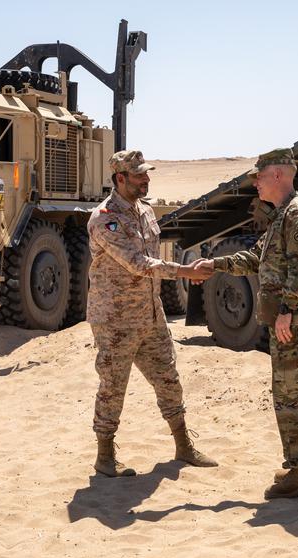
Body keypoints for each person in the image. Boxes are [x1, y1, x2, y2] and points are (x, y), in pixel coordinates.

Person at [194, 148, 298, 499]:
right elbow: (256, 258)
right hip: (291, 319)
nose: (255, 182)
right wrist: (216, 265)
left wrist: (286, 309)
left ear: (279, 175)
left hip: (294, 322)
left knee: (292, 394)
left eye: (259, 175)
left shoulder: (297, 214)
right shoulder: (282, 215)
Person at [86, 149, 218, 478]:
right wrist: (185, 272)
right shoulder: (105, 218)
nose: (146, 179)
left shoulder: (145, 211)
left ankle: (184, 445)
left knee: (169, 380)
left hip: (151, 315)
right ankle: (105, 455)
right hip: (116, 319)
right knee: (113, 386)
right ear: (120, 179)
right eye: (140, 175)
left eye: (147, 173)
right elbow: (138, 264)